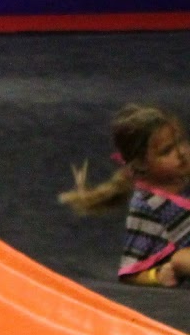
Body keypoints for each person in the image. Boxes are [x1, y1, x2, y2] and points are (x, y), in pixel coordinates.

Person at [59, 103, 190, 287]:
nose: (181, 153)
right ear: (141, 163)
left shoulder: (183, 174)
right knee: (181, 260)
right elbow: (130, 272)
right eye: (166, 151)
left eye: (182, 142)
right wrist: (157, 276)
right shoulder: (148, 206)